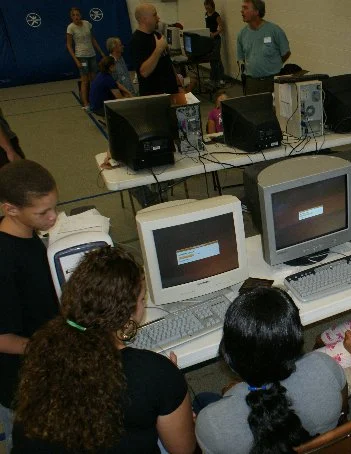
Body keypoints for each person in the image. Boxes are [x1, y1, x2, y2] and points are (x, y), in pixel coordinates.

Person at [11, 247, 196, 453]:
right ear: (126, 314)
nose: (144, 305)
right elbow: (184, 451)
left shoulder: (43, 349)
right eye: (142, 300)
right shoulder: (154, 372)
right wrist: (169, 383)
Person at [195, 287, 346, 454]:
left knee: (202, 399)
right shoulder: (326, 366)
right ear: (296, 337)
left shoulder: (211, 423)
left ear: (229, 354)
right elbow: (343, 414)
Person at [0, 160, 60, 452]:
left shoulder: (25, 234)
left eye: (54, 207)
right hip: (19, 382)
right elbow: (2, 339)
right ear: (10, 209)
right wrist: (53, 349)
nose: (54, 217)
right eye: (43, 212)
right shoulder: (4, 262)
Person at [237, 0, 291, 95]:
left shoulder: (274, 30)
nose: (241, 11)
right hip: (251, 83)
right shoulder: (242, 34)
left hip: (271, 81)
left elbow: (286, 53)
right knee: (253, 109)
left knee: (273, 109)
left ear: (257, 12)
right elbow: (243, 59)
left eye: (245, 8)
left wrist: (273, 65)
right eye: (242, 8)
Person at [130, 3, 182, 97]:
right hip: (155, 98)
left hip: (171, 92)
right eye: (154, 15)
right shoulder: (136, 40)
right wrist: (158, 49)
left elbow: (168, 62)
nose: (158, 18)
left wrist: (179, 85)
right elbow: (144, 72)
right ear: (144, 19)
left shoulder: (157, 35)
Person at [66, 7, 106, 111]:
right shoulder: (71, 28)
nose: (76, 17)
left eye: (77, 15)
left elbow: (92, 39)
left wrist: (101, 53)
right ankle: (86, 103)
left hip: (91, 55)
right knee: (85, 80)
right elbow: (69, 46)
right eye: (73, 15)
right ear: (71, 17)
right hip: (81, 56)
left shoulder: (87, 24)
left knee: (94, 79)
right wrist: (76, 60)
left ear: (81, 15)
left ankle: (94, 100)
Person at [205, 0, 226, 85]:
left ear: (212, 5)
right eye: (205, 5)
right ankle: (212, 78)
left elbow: (221, 28)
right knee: (211, 59)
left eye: (208, 5)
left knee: (217, 58)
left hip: (216, 39)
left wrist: (214, 34)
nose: (206, 7)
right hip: (209, 40)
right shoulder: (206, 14)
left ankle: (221, 78)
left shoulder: (216, 15)